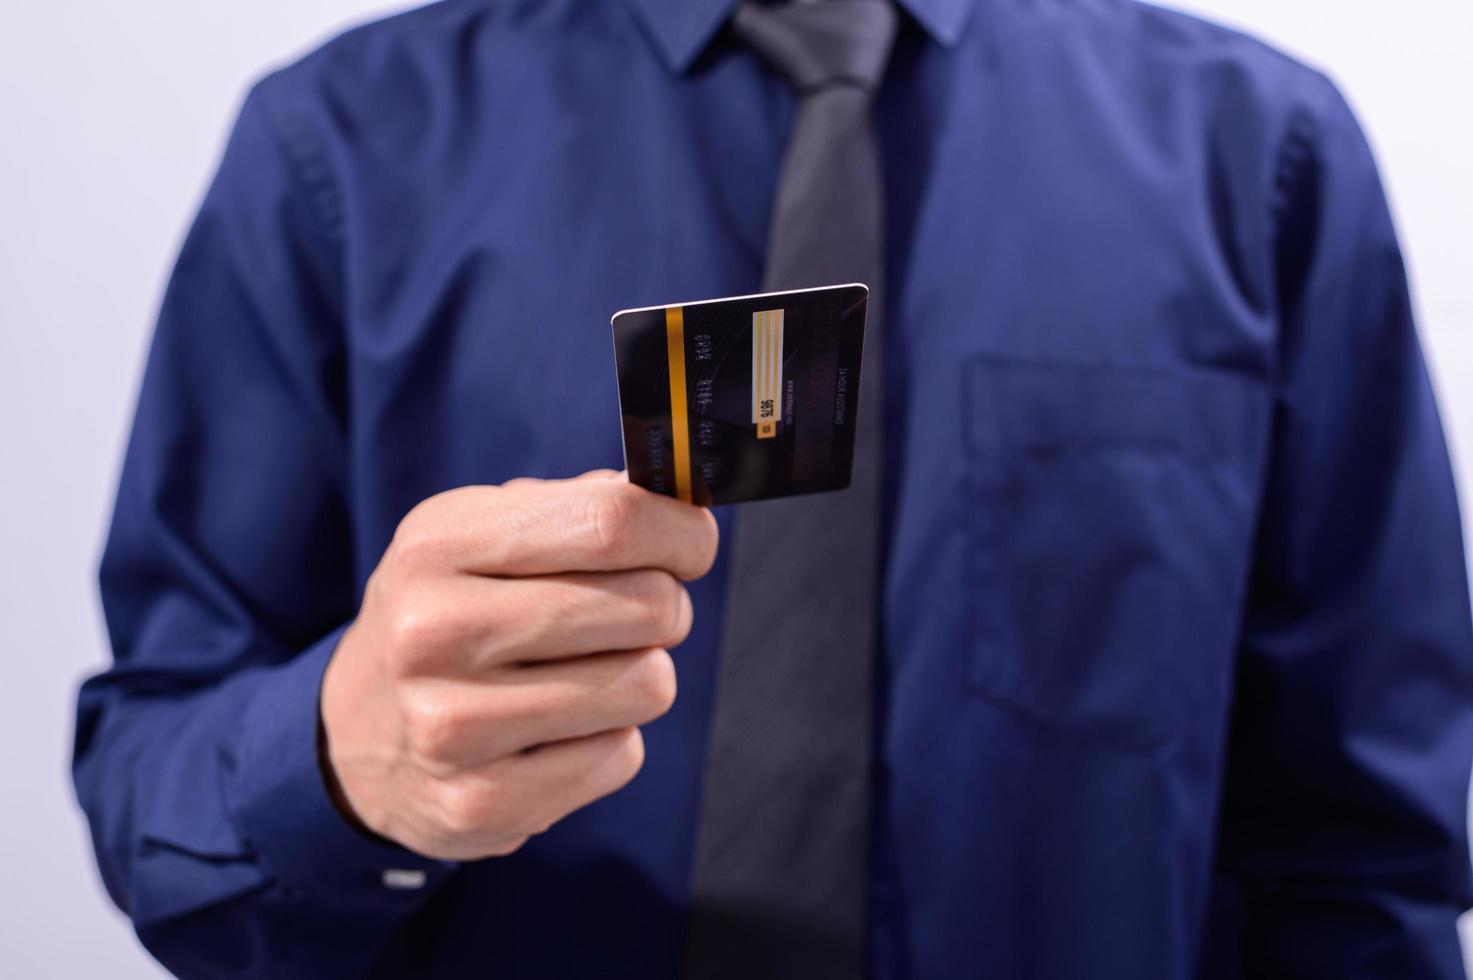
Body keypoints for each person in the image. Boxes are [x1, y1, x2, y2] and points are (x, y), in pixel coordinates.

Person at [73, 0, 1473, 976]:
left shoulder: (1259, 156)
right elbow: (150, 794)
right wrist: (336, 761)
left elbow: (1365, 857)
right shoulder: (338, 149)